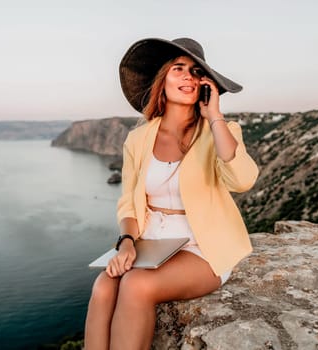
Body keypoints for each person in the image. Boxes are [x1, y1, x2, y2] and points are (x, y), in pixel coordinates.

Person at [84, 37, 259, 350]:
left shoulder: (221, 131)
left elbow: (242, 180)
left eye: (195, 71)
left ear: (206, 85)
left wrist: (214, 116)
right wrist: (126, 243)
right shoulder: (138, 139)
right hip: (151, 242)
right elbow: (129, 204)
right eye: (179, 68)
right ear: (161, 79)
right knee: (103, 287)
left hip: (202, 246)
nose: (188, 77)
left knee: (136, 285)